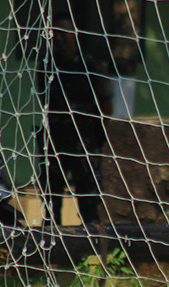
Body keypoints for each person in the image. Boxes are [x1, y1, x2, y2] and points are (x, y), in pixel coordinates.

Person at [39, 14, 114, 225]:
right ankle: (51, 240)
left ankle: (91, 240)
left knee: (89, 199)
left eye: (63, 33)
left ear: (75, 35)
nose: (58, 39)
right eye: (54, 34)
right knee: (51, 198)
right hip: (54, 140)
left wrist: (98, 136)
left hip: (84, 140)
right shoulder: (46, 65)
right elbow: (44, 100)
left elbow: (106, 105)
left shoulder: (92, 65)